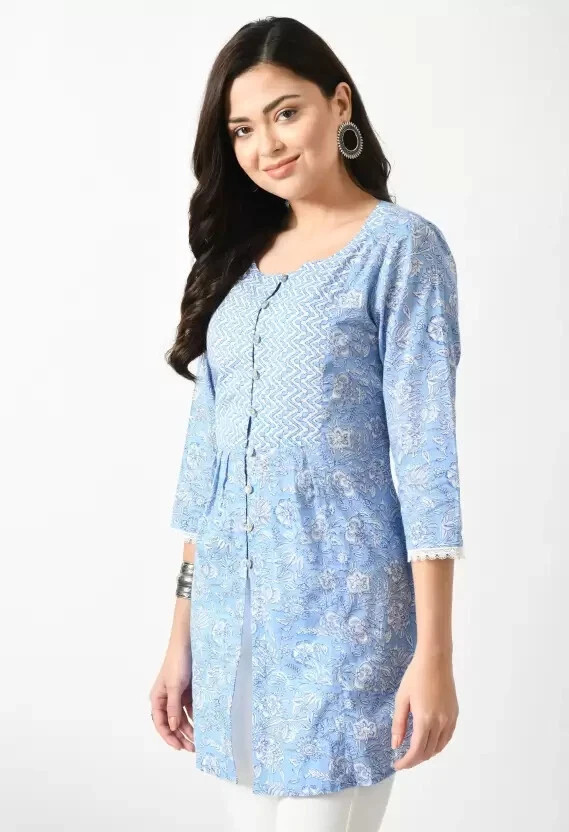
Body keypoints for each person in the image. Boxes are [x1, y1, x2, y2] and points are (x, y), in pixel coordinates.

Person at [149, 15, 465, 832]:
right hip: (230, 631)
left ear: (339, 105)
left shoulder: (400, 249)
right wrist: (180, 637)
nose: (266, 146)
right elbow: (207, 472)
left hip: (345, 629)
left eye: (285, 113)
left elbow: (426, 460)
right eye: (242, 130)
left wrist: (433, 654)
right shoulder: (232, 265)